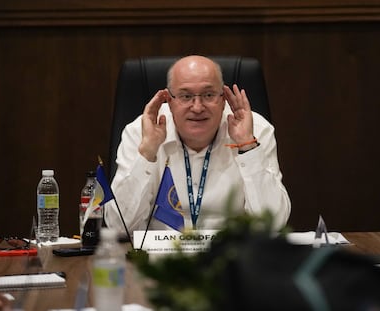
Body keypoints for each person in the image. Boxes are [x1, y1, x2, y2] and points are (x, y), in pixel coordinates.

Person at [105, 55, 291, 234]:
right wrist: (147, 152)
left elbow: (272, 224)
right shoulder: (141, 132)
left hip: (232, 258)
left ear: (223, 98)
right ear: (168, 101)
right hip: (160, 260)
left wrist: (247, 146)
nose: (197, 107)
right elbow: (118, 226)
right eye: (186, 96)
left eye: (208, 95)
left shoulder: (255, 131)